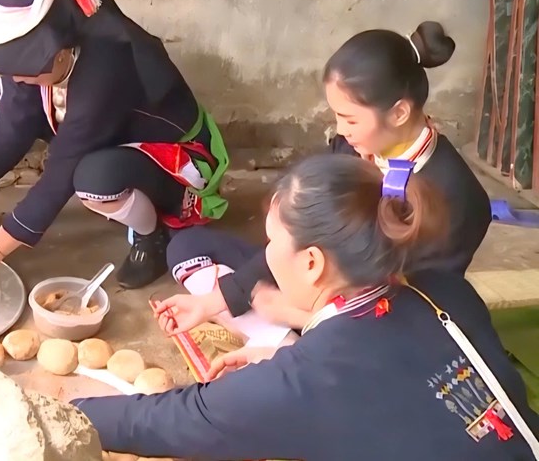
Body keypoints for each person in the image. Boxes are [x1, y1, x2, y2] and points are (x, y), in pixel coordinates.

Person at [72, 154, 538, 460]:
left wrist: (63, 412)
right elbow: (395, 386)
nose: (266, 254)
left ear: (312, 263)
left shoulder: (307, 379)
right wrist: (284, 358)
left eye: (273, 241)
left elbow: (175, 420)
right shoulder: (445, 289)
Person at [0, 0, 230, 290]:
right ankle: (133, 206)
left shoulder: (105, 70)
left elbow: (60, 176)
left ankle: (151, 235)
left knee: (92, 179)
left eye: (22, 67)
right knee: (6, 100)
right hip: (117, 140)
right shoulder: (47, 55)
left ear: (57, 54)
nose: (16, 77)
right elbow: (11, 134)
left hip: (175, 159)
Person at [160, 21, 492, 331]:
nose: (341, 130)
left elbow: (415, 317)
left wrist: (288, 311)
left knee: (270, 303)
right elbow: (296, 235)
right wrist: (215, 301)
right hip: (308, 278)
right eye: (337, 116)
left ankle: (280, 332)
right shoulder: (351, 150)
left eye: (350, 119)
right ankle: (268, 324)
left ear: (399, 113)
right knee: (187, 245)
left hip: (366, 326)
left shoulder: (458, 197)